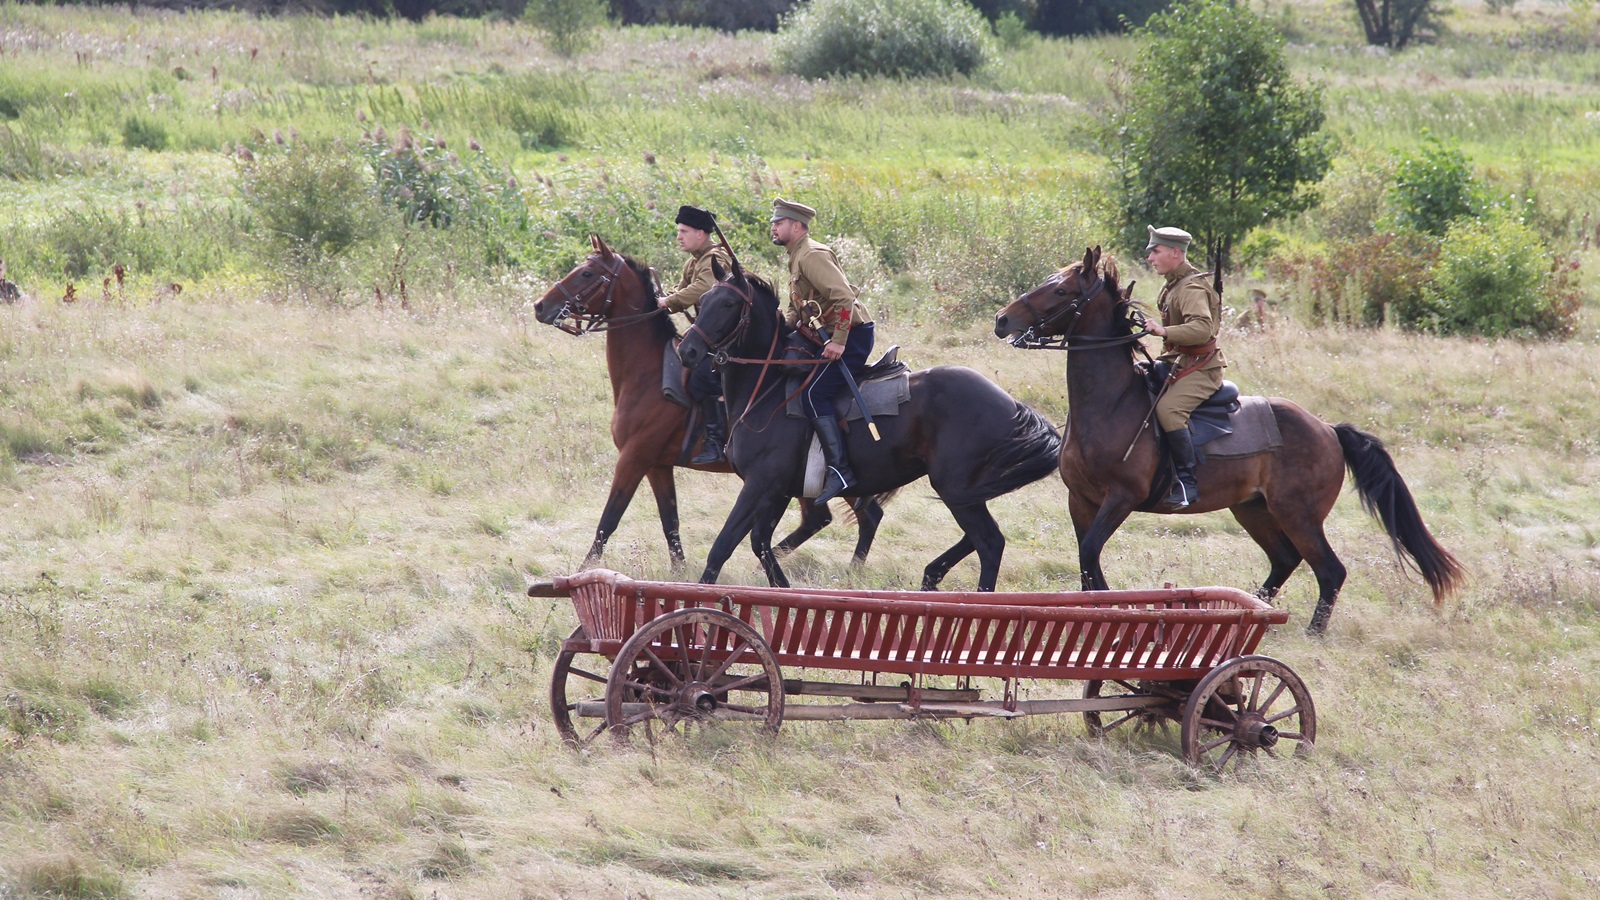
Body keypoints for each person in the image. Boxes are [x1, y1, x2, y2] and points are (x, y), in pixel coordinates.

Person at [770, 197, 875, 504]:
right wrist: (780, 326)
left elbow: (843, 297)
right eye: (774, 223)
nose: (773, 228)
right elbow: (799, 306)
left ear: (797, 226)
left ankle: (840, 470)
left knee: (814, 394)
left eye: (779, 223)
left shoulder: (811, 255)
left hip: (851, 335)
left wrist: (839, 341)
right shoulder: (796, 255)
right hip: (824, 336)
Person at [1143, 225, 1225, 511]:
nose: (1151, 258)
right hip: (1178, 362)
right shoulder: (1174, 284)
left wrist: (1164, 332)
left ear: (1176, 253)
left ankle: (1187, 483)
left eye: (1156, 251)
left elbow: (1202, 329)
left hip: (1201, 368)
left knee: (1169, 410)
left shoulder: (1190, 287)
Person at [658, 205, 734, 464]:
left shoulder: (715, 258)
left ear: (700, 234)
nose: (679, 236)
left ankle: (716, 443)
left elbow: (704, 287)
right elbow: (680, 292)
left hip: (728, 337)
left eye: (684, 231)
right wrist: (663, 300)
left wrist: (669, 301)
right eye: (679, 231)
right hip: (712, 335)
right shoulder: (694, 261)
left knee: (702, 377)